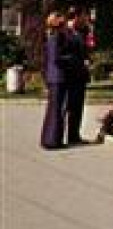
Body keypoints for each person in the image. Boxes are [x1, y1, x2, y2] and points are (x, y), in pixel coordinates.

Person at [39, 12, 72, 149]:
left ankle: (49, 138)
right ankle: (53, 140)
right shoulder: (57, 38)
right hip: (59, 77)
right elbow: (57, 58)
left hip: (53, 77)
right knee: (58, 110)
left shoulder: (50, 37)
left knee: (53, 109)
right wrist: (70, 58)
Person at [63, 9, 93, 145]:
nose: (86, 19)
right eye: (83, 16)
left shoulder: (82, 31)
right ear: (76, 17)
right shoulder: (65, 33)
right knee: (69, 106)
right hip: (70, 75)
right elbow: (63, 53)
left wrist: (86, 59)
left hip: (80, 75)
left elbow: (85, 50)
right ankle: (62, 135)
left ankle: (74, 135)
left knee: (78, 107)